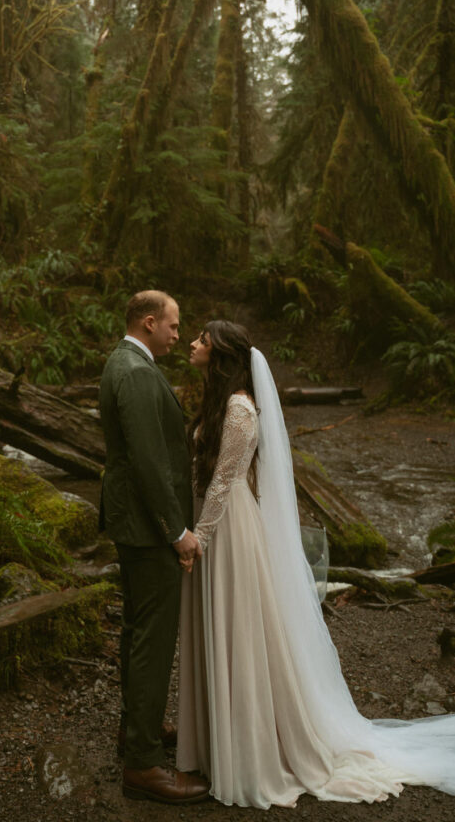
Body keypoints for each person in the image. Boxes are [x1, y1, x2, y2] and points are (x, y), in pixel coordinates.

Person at [177, 320, 455, 808]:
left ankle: (251, 749)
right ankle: (216, 741)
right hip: (213, 522)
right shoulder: (218, 402)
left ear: (220, 354)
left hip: (229, 528)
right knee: (221, 628)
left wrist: (199, 537)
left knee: (239, 630)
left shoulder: (241, 409)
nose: (193, 344)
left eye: (202, 339)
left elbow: (224, 482)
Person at [99, 290, 210, 804]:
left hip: (132, 523)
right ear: (148, 323)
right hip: (147, 529)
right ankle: (142, 766)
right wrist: (176, 530)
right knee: (152, 639)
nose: (177, 333)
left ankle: (134, 732)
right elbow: (148, 461)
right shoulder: (138, 373)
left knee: (136, 630)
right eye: (173, 324)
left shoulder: (122, 362)